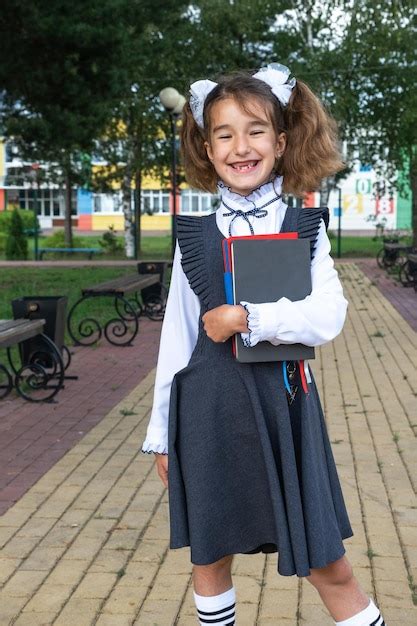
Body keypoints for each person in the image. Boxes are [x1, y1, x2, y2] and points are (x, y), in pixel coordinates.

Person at [141, 63, 386, 626]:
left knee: (330, 564)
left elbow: (328, 315)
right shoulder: (194, 235)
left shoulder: (306, 228)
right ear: (207, 147)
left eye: (255, 131)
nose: (240, 146)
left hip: (286, 409)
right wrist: (160, 433)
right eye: (224, 134)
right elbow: (176, 340)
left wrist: (247, 316)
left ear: (279, 141)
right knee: (211, 556)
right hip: (209, 411)